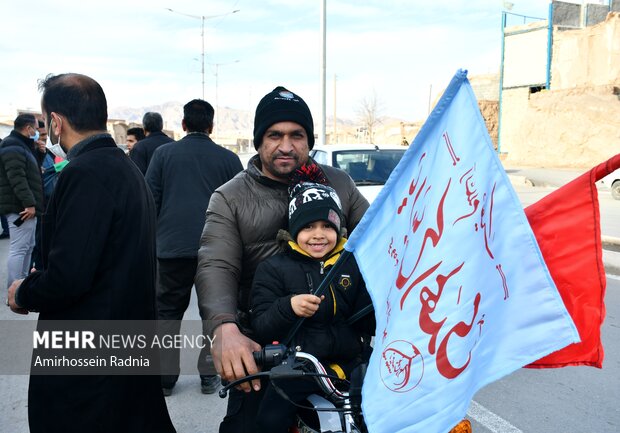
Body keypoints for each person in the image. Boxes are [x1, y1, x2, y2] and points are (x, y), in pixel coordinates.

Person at [6, 73, 176, 433]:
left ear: (55, 121)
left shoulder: (85, 173)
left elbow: (69, 276)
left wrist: (23, 291)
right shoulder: (124, 168)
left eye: (44, 123)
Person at [194, 86, 369, 432]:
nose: (286, 146)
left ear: (310, 139)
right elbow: (217, 265)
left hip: (339, 349)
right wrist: (224, 327)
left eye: (297, 135)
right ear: (259, 140)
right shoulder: (230, 197)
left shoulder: (339, 183)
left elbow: (381, 240)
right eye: (275, 135)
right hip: (264, 350)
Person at [251, 179, 375, 432]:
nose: (318, 234)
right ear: (294, 230)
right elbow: (262, 325)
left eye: (327, 226)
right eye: (308, 226)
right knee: (269, 421)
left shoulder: (354, 264)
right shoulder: (273, 268)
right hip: (298, 370)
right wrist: (288, 307)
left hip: (353, 365)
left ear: (339, 229)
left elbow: (369, 322)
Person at [146, 99, 243, 396]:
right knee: (214, 314)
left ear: (184, 124)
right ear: (211, 126)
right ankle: (209, 375)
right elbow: (240, 206)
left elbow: (151, 199)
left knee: (166, 313)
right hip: (215, 252)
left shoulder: (164, 154)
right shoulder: (228, 159)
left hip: (171, 248)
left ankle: (164, 379)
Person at [0, 113, 44, 289]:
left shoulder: (22, 146)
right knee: (19, 248)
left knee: (28, 246)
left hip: (24, 206)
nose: (36, 132)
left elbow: (31, 172)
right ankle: (14, 289)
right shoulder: (12, 147)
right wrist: (29, 203)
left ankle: (23, 284)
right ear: (28, 128)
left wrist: (38, 153)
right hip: (20, 207)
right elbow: (17, 177)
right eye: (35, 128)